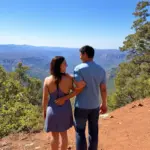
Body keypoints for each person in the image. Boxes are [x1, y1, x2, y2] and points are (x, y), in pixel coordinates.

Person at [55, 45, 107, 150]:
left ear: (85, 54)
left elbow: (78, 86)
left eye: (80, 54)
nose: (79, 56)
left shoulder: (78, 68)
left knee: (80, 131)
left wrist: (70, 78)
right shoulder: (101, 70)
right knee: (93, 131)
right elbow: (103, 89)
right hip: (94, 106)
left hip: (81, 106)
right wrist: (104, 104)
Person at [42, 56, 85, 150]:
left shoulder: (47, 80)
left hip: (51, 110)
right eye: (64, 64)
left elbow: (45, 99)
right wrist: (65, 98)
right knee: (64, 136)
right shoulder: (68, 79)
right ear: (59, 66)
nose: (67, 65)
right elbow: (77, 91)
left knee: (54, 137)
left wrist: (44, 113)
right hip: (64, 111)